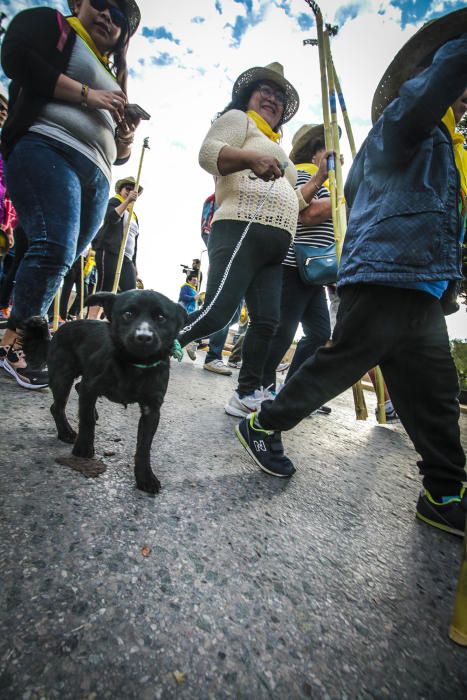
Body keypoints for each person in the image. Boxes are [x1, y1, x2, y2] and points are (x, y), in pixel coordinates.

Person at [235, 11, 467, 538]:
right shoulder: (407, 121)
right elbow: (357, 192)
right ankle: (262, 423)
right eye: (458, 86)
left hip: (426, 288)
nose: (463, 97)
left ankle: (444, 492)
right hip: (387, 274)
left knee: (435, 394)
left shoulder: (449, 152)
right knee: (336, 362)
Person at [0, 0, 141, 389]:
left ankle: (19, 334)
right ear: (78, 3)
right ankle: (16, 344)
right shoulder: (56, 26)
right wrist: (88, 95)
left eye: (118, 19)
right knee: (55, 247)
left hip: (96, 169)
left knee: (63, 255)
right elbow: (17, 57)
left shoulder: (112, 72)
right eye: (100, 5)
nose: (108, 18)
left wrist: (125, 136)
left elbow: (123, 152)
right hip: (47, 145)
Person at [180, 61, 332, 417]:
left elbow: (294, 201)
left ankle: (248, 392)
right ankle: (152, 347)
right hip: (240, 227)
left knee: (267, 322)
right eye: (265, 91)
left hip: (275, 246)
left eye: (279, 97)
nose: (272, 99)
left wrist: (321, 177)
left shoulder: (279, 149)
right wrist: (250, 158)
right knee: (218, 310)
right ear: (248, 95)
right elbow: (207, 154)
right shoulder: (239, 121)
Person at [261, 123, 333, 406]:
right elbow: (308, 215)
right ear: (316, 150)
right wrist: (345, 198)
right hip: (294, 264)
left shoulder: (328, 183)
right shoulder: (302, 172)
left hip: (313, 270)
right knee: (283, 330)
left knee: (319, 333)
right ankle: (260, 385)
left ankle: (292, 389)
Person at [91, 176, 142, 297]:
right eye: (127, 188)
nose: (130, 191)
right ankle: (93, 314)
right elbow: (111, 218)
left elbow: (134, 242)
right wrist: (127, 201)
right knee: (106, 287)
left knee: (130, 290)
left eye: (133, 189)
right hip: (110, 250)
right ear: (120, 190)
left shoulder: (133, 215)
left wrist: (134, 263)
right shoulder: (114, 202)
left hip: (127, 257)